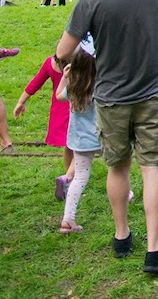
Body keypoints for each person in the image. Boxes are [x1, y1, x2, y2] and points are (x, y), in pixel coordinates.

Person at [55, 0, 158, 272]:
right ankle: (155, 249)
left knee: (117, 166)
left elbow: (63, 52)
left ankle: (122, 236)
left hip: (109, 100)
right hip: (152, 95)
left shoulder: (91, 0)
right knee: (152, 168)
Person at [56, 40, 101, 234]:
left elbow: (58, 96)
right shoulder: (100, 87)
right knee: (118, 168)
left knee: (80, 177)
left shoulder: (73, 87)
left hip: (79, 140)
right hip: (100, 137)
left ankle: (68, 219)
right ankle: (126, 194)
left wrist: (65, 77)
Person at [14, 52, 72, 195]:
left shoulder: (50, 63)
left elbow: (36, 82)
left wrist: (21, 101)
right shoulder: (83, 63)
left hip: (59, 109)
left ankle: (69, 178)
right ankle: (71, 178)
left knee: (69, 146)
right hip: (78, 109)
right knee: (81, 147)